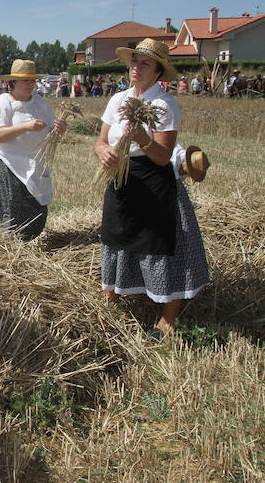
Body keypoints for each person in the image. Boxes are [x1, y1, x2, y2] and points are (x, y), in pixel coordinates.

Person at [94, 38, 207, 341]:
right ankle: (110, 300)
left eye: (145, 63)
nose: (136, 67)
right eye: (134, 61)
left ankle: (167, 319)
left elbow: (163, 156)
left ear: (158, 71)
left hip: (154, 183)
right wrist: (103, 151)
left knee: (158, 244)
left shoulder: (165, 104)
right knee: (116, 237)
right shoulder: (117, 100)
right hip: (121, 180)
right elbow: (101, 140)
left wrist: (143, 138)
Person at [0, 59, 65, 241]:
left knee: (36, 211)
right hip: (9, 164)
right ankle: (14, 250)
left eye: (32, 81)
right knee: (14, 213)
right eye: (25, 81)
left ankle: (30, 245)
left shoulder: (41, 104)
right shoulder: (2, 103)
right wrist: (26, 126)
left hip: (35, 164)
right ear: (12, 82)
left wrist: (59, 130)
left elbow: (51, 133)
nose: (30, 84)